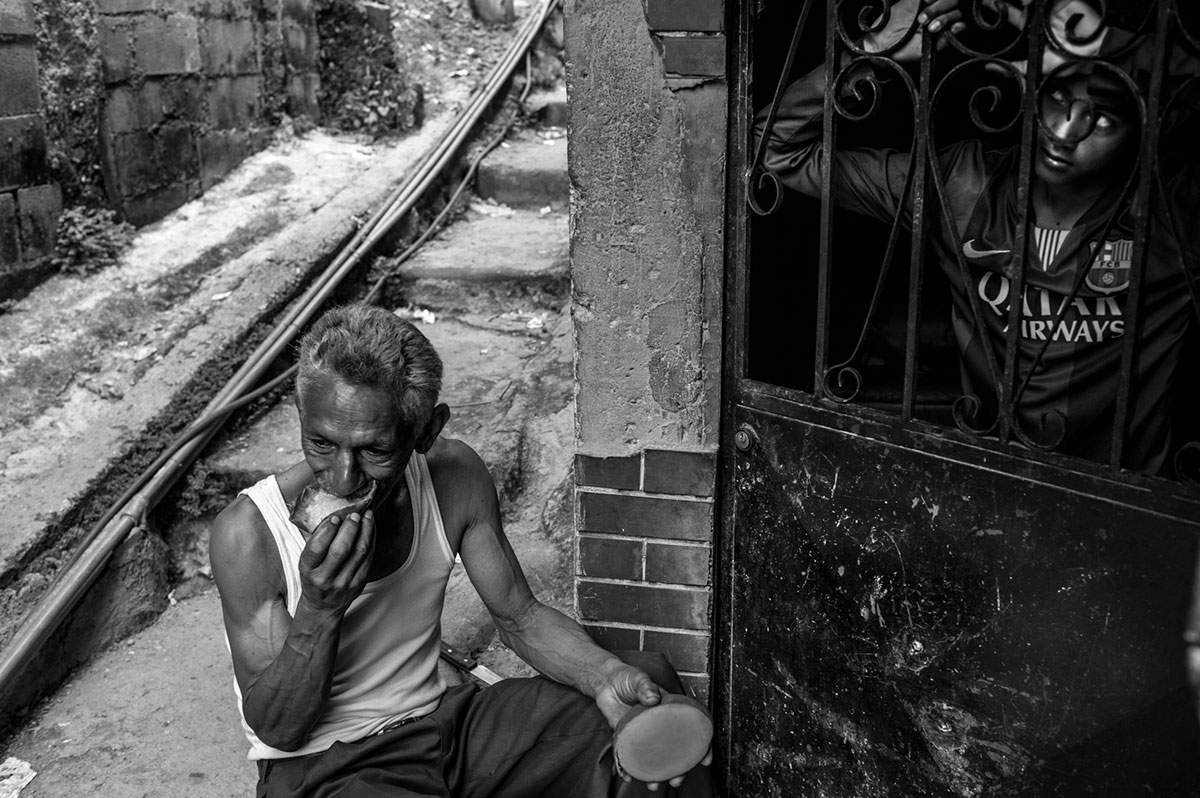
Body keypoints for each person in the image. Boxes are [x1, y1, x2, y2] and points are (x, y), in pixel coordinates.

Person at [208, 304, 717, 797]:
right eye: (320, 443)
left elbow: (518, 616)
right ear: (300, 416)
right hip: (327, 768)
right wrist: (319, 609)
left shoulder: (453, 477)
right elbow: (279, 730)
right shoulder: (250, 534)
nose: (342, 477)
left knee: (644, 700)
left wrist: (604, 677)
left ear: (426, 431)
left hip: (444, 728)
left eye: (375, 451)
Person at [754, 0, 1199, 474]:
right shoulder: (962, 185)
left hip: (1127, 504)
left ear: (1149, 126)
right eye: (1057, 95)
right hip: (991, 487)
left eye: (1104, 118)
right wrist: (867, 53)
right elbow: (776, 149)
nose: (1066, 131)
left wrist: (1091, 39)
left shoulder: (1171, 214)